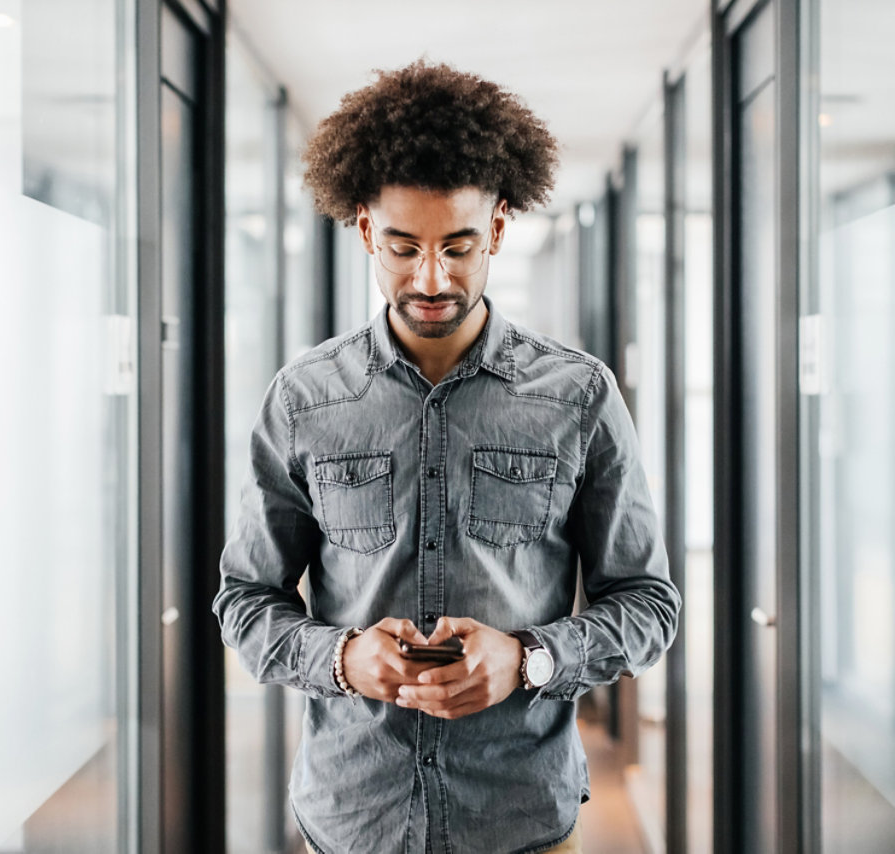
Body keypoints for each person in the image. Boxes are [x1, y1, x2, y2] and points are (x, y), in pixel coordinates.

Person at [213, 59, 680, 854]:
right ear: (364, 230)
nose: (431, 277)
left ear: (498, 227)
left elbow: (648, 605)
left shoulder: (579, 396)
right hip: (353, 817)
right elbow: (245, 601)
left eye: (459, 246)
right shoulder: (304, 398)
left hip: (520, 818)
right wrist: (342, 659)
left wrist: (530, 661)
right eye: (402, 247)